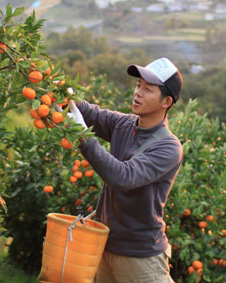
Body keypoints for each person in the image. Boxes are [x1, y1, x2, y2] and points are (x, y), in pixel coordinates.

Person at [67, 57, 184, 283]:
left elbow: (123, 176)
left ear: (166, 101)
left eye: (147, 89)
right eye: (138, 85)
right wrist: (62, 95)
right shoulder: (124, 124)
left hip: (141, 257)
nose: (137, 92)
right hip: (104, 245)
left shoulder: (168, 148)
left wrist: (82, 135)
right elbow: (89, 112)